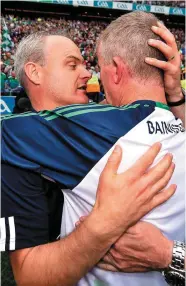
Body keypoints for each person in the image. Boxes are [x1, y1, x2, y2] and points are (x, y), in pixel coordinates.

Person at [1, 13, 185, 286]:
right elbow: (30, 276)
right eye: (72, 65)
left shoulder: (105, 130)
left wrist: (105, 228)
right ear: (34, 73)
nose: (89, 74)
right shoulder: (24, 145)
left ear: (117, 70)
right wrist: (101, 227)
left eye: (92, 65)